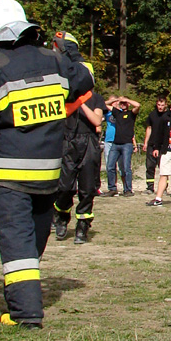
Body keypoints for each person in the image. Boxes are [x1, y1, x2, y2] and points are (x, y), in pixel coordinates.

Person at [0, 0, 93, 329]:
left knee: (17, 244)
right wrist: (71, 52)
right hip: (49, 174)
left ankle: (26, 315)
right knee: (32, 241)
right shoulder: (56, 62)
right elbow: (86, 80)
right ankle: (22, 293)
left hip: (10, 176)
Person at [51, 32, 105, 244]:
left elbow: (97, 122)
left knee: (87, 188)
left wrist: (82, 103)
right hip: (67, 142)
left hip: (88, 143)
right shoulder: (63, 96)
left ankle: (82, 226)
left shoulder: (95, 98)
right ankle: (62, 217)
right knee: (64, 187)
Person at [105, 95, 140, 197]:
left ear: (128, 104)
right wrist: (117, 100)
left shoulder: (131, 114)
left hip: (127, 144)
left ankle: (128, 189)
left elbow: (138, 105)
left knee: (126, 168)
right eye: (122, 103)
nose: (123, 104)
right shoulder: (117, 113)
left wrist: (127, 99)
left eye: (125, 103)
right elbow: (105, 104)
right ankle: (112, 189)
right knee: (110, 166)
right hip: (116, 144)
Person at [142, 96, 168, 192]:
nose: (160, 107)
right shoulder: (152, 115)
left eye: (162, 105)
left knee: (164, 168)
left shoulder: (168, 116)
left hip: (163, 145)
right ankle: (150, 187)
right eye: (158, 105)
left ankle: (164, 188)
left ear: (166, 105)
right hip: (152, 144)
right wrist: (146, 143)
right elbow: (149, 128)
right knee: (149, 166)